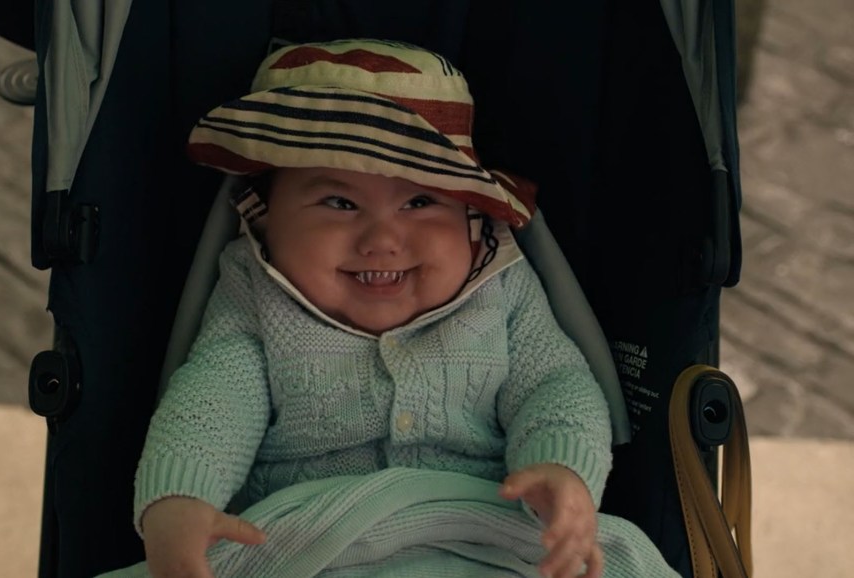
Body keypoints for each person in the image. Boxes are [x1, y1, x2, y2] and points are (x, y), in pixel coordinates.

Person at [120, 39, 678, 578]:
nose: (382, 240)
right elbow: (215, 397)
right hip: (306, 540)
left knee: (618, 559)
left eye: (419, 201)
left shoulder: (501, 282)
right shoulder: (257, 289)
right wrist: (180, 499)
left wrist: (560, 468)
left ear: (471, 218)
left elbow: (554, 382)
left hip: (483, 532)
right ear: (264, 217)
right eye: (339, 202)